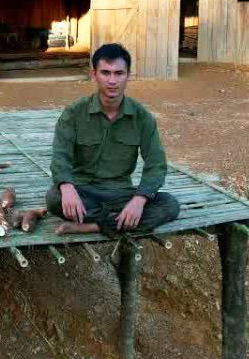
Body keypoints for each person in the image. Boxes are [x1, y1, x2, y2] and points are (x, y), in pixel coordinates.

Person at [46, 43, 180, 236]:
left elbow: (156, 164)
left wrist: (139, 199)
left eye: (119, 73)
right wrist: (66, 187)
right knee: (53, 197)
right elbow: (60, 156)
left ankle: (94, 226)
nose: (112, 80)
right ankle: (119, 222)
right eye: (105, 73)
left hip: (121, 194)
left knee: (169, 205)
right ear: (94, 75)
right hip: (83, 192)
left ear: (128, 76)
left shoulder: (142, 117)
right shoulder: (74, 113)